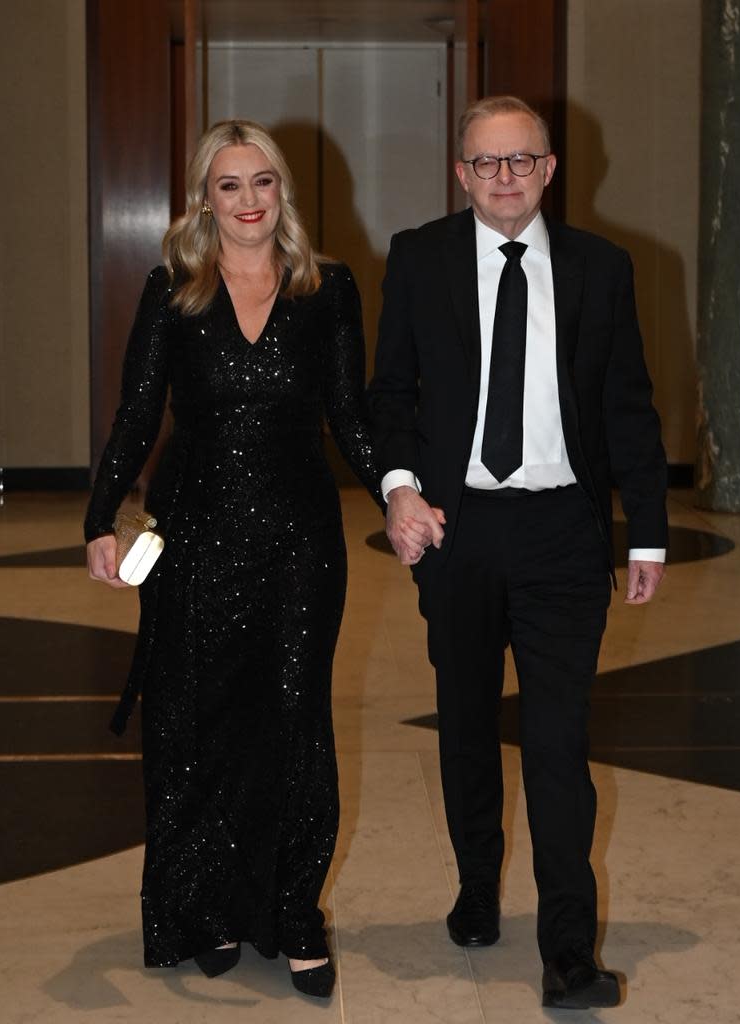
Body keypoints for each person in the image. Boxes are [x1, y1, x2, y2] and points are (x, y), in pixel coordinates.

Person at [368, 96, 667, 1010]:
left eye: (522, 161)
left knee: (555, 740)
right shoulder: (418, 258)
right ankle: (475, 885)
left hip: (562, 535)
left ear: (548, 169)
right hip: (456, 533)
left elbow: (627, 405)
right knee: (464, 727)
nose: (504, 177)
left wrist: (645, 530)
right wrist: (400, 488)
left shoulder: (600, 268)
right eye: (486, 163)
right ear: (461, 173)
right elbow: (390, 395)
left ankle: (568, 949)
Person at [85, 119, 380, 997]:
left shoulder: (328, 290)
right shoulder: (173, 290)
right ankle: (208, 906)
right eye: (229, 185)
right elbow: (138, 416)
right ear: (204, 198)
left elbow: (351, 416)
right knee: (201, 721)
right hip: (197, 533)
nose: (249, 202)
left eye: (263, 183)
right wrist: (104, 516)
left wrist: (399, 491)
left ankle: (293, 914)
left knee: (293, 717)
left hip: (300, 539)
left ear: (282, 192)